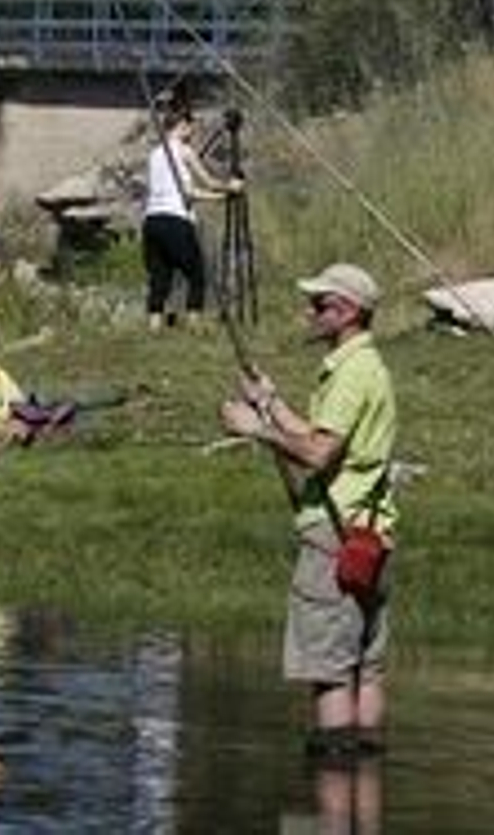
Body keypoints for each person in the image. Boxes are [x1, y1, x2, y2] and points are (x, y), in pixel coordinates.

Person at [219, 262, 397, 757]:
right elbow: (320, 437)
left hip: (335, 543)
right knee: (366, 666)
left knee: (329, 672)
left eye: (320, 304)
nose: (310, 312)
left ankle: (334, 798)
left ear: (349, 312)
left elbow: (317, 454)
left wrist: (253, 429)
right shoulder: (366, 366)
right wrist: (271, 404)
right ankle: (364, 793)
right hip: (371, 538)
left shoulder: (352, 373)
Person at [142, 105, 243, 330]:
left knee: (160, 277)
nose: (193, 132)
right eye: (191, 127)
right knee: (196, 273)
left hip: (152, 220)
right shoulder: (184, 150)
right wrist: (230, 187)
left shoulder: (155, 154)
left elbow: (186, 192)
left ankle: (154, 326)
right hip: (176, 220)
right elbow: (207, 181)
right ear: (182, 125)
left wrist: (218, 198)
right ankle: (194, 323)